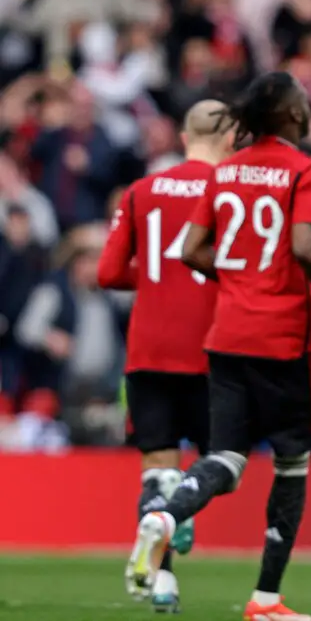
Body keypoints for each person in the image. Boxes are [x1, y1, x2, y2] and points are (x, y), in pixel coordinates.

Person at [126, 72, 311, 621]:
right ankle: (265, 600)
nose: (308, 110)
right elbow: (306, 245)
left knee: (226, 458)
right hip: (284, 340)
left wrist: (238, 278)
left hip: (226, 336)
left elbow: (191, 249)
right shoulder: (308, 170)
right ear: (287, 114)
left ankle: (164, 516)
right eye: (302, 102)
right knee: (292, 465)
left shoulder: (226, 169)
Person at [100, 100, 234, 612]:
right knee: (223, 457)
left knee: (156, 469)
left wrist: (157, 277)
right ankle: (183, 505)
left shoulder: (140, 191)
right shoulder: (230, 191)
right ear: (229, 140)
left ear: (183, 136)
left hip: (148, 349)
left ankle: (162, 583)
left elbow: (110, 274)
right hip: (212, 348)